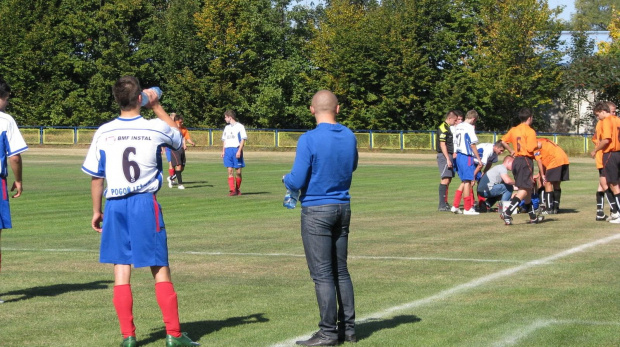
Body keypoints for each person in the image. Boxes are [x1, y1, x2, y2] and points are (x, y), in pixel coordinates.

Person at [81, 76, 199, 347]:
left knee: (121, 269)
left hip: (115, 205)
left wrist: (97, 211)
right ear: (139, 99)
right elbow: (179, 143)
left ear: (116, 100)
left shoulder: (104, 131)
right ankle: (174, 335)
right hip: (144, 203)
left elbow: (96, 177)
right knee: (159, 268)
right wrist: (156, 106)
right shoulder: (154, 127)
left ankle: (129, 337)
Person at [283, 90, 358, 346]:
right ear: (337, 109)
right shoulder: (349, 135)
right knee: (341, 271)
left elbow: (297, 179)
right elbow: (353, 166)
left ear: (311, 109)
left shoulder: (309, 139)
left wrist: (286, 180)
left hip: (317, 209)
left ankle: (328, 333)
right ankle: (348, 329)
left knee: (323, 275)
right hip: (342, 207)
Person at [0, 78, 28, 304]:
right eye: (7, 99)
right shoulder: (5, 120)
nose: (7, 103)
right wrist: (18, 180)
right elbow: (15, 156)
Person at [500, 108, 544, 225]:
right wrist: (538, 145)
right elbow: (530, 148)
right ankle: (507, 212)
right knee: (524, 190)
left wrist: (511, 151)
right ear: (529, 118)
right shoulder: (530, 131)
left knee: (527, 189)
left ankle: (533, 217)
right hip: (525, 160)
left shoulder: (514, 129)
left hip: (517, 161)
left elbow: (503, 141)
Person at [590, 101, 620, 224]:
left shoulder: (606, 121)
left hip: (610, 154)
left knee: (612, 184)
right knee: (612, 183)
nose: (598, 118)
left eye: (598, 115)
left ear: (603, 111)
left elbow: (606, 139)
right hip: (618, 153)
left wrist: (595, 150)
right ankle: (615, 212)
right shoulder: (617, 120)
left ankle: (617, 212)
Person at [451, 109, 483, 215]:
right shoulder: (469, 127)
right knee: (468, 182)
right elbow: (472, 144)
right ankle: (468, 208)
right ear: (474, 119)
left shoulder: (458, 126)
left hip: (458, 155)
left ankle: (455, 205)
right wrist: (478, 159)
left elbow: (455, 142)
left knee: (464, 181)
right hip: (466, 156)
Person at [535, 138, 570, 214]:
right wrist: (541, 173)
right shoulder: (544, 140)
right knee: (556, 183)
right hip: (564, 159)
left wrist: (542, 175)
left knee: (548, 183)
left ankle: (548, 209)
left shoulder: (534, 144)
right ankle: (555, 208)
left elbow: (539, 160)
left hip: (555, 161)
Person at [221, 109, 247, 196]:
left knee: (238, 172)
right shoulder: (226, 128)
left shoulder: (240, 127)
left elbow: (243, 139)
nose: (225, 119)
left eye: (225, 117)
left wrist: (239, 150)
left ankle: (237, 188)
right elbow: (224, 140)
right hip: (228, 150)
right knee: (229, 170)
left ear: (230, 117)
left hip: (236, 150)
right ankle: (232, 190)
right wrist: (223, 151)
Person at [436, 110, 458, 211]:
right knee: (445, 178)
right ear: (449, 118)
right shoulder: (443, 128)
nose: (455, 122)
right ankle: (442, 205)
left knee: (448, 179)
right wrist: (448, 159)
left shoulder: (448, 128)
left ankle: (444, 203)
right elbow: (442, 144)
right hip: (444, 156)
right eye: (455, 120)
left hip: (448, 155)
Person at [168, 114, 195, 190]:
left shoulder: (184, 129)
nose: (182, 123)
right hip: (174, 149)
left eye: (182, 122)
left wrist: (191, 142)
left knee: (182, 168)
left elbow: (186, 138)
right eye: (180, 122)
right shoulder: (171, 129)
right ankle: (180, 184)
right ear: (176, 121)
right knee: (178, 165)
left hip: (181, 149)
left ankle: (171, 178)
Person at [165, 113, 177, 187]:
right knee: (170, 163)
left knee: (176, 164)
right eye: (173, 117)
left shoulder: (176, 125)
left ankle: (172, 178)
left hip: (175, 147)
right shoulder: (167, 125)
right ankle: (172, 179)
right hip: (168, 147)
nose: (173, 118)